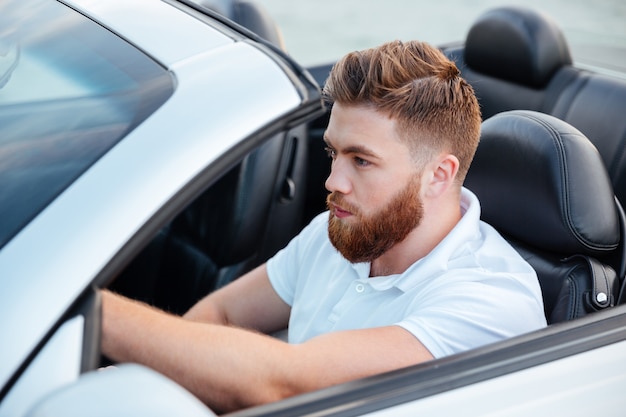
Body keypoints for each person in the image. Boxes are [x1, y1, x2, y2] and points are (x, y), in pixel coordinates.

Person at [101, 40, 547, 413]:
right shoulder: (338, 231)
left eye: (361, 160)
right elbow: (220, 315)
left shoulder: (491, 302)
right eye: (334, 152)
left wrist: (93, 313)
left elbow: (288, 385)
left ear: (438, 175)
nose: (333, 181)